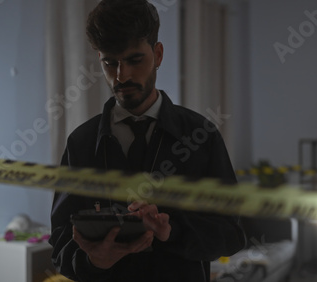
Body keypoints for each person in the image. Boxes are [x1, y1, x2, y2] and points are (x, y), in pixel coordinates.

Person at [49, 0, 246, 281]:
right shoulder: (80, 143)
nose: (122, 75)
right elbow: (59, 245)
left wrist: (171, 231)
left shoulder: (201, 136)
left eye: (134, 60)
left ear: (158, 54)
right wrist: (94, 261)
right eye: (110, 62)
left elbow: (232, 235)